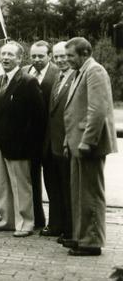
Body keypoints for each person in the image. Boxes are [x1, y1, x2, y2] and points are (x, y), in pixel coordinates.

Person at [63, 37, 117, 256]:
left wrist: (87, 141)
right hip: (77, 141)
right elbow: (74, 109)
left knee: (91, 194)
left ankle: (92, 241)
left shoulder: (94, 71)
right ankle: (81, 236)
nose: (67, 60)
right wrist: (68, 141)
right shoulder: (80, 72)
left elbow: (97, 110)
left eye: (70, 56)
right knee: (79, 193)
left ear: (84, 53)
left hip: (88, 144)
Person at [0, 42, 44, 237]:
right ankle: (6, 219)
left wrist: (30, 144)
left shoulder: (27, 81)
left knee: (21, 186)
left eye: (10, 54)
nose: (6, 58)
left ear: (20, 58)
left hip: (19, 144)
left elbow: (38, 117)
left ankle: (25, 222)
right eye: (3, 54)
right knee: (2, 184)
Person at [22, 40, 59, 232]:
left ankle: (56, 222)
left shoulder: (57, 74)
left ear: (49, 56)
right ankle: (37, 218)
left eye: (41, 56)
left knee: (52, 181)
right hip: (29, 137)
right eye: (33, 56)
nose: (36, 60)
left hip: (50, 135)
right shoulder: (25, 71)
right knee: (31, 179)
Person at [45, 41, 75, 246]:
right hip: (53, 142)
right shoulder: (58, 77)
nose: (60, 60)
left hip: (67, 142)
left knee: (68, 188)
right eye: (56, 57)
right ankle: (58, 225)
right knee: (55, 187)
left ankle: (70, 229)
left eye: (63, 56)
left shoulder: (76, 77)